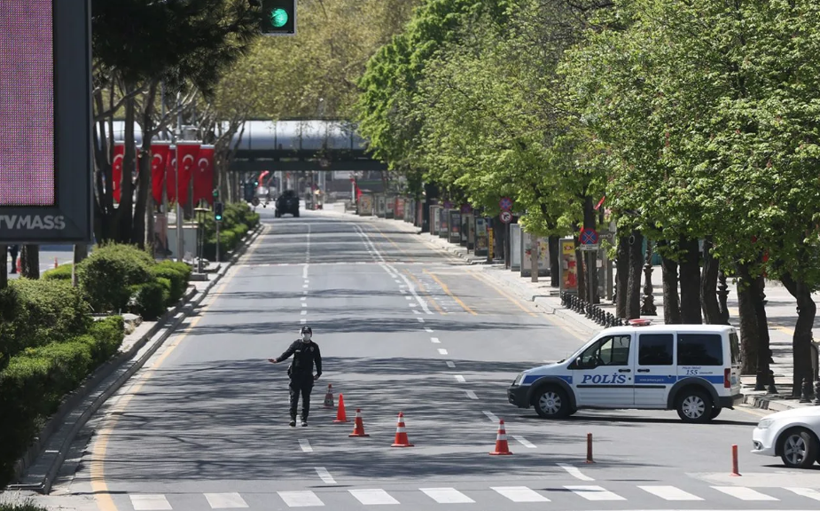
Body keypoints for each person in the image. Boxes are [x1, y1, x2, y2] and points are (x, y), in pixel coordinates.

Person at [268, 326, 322, 427]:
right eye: (304, 333)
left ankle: (304, 419)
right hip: (296, 375)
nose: (306, 335)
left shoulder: (314, 347)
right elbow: (287, 353)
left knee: (306, 398)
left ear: (311, 334)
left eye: (307, 333)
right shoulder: (297, 344)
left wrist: (319, 373)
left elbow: (318, 360)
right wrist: (277, 360)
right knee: (294, 397)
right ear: (301, 334)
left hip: (307, 376)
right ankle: (292, 418)